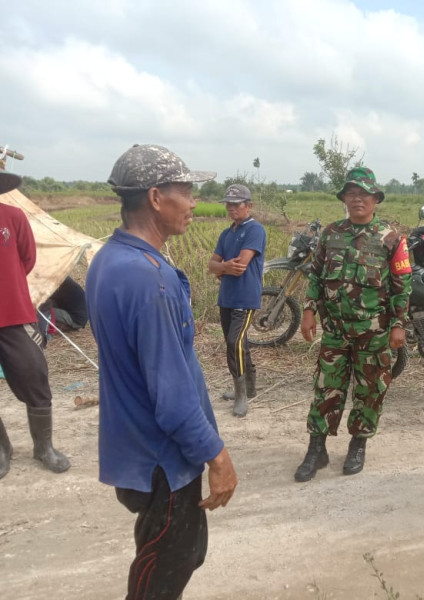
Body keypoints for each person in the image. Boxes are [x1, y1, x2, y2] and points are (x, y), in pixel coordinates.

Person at [85, 144, 238, 600]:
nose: (193, 203)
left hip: (134, 449)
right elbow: (171, 395)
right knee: (162, 572)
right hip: (163, 460)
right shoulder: (148, 278)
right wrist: (218, 456)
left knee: (181, 553)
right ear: (155, 197)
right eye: (186, 191)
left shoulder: (110, 260)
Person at [294, 167, 412, 482]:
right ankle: (316, 448)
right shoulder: (331, 233)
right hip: (335, 331)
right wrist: (308, 310)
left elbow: (403, 285)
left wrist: (399, 324)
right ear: (344, 198)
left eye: (364, 194)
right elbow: (316, 275)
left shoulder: (391, 238)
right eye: (351, 193)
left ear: (375, 199)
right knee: (325, 388)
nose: (357, 199)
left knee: (370, 390)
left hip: (375, 334)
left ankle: (358, 444)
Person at [0, 161, 71, 479]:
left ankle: (44, 448)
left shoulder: (13, 217)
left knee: (35, 375)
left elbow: (27, 259)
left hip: (12, 314)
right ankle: (2, 450)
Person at [208, 184, 267, 417]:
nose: (231, 209)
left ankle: (241, 394)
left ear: (249, 206)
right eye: (228, 205)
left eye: (236, 204)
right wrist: (223, 267)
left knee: (234, 342)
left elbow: (240, 266)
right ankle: (249, 387)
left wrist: (221, 267)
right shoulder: (227, 233)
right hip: (227, 297)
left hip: (245, 297)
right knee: (235, 343)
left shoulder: (255, 230)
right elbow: (212, 265)